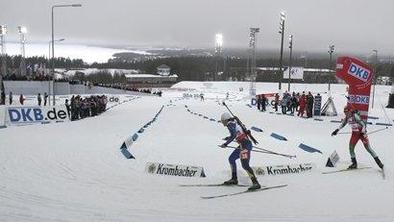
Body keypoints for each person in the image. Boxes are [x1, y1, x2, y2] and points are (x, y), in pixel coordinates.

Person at [331, 105, 384, 170]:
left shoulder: (355, 116)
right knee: (351, 148)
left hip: (362, 134)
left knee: (368, 148)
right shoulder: (347, 117)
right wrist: (336, 130)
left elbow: (363, 124)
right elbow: (343, 124)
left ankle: (379, 163)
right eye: (345, 113)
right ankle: (354, 164)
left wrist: (363, 131)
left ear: (350, 111)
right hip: (355, 134)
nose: (346, 114)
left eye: (347, 112)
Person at [219, 112, 261, 191]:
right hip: (242, 145)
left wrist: (226, 143)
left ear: (226, 120)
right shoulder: (234, 123)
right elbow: (236, 134)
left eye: (223, 121)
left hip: (245, 145)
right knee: (231, 159)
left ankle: (256, 183)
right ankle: (234, 179)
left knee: (245, 165)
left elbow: (234, 135)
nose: (223, 123)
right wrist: (228, 138)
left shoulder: (230, 124)